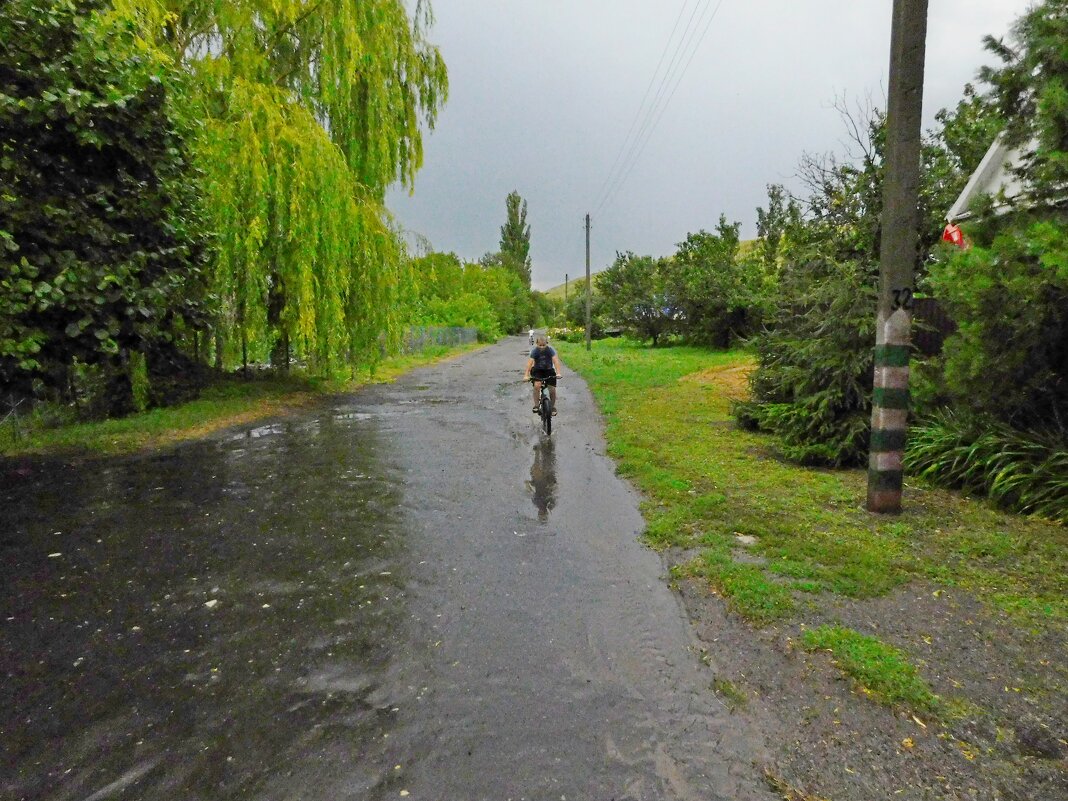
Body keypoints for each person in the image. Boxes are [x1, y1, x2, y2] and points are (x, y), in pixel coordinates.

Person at [523, 335, 563, 415]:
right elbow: (530, 363)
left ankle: (552, 407)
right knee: (537, 385)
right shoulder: (535, 351)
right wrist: (526, 375)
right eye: (540, 345)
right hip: (538, 371)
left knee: (552, 389)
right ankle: (536, 405)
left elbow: (555, 361)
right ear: (536, 344)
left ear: (547, 343)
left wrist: (558, 373)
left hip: (549, 370)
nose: (541, 347)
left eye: (543, 345)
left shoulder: (550, 350)